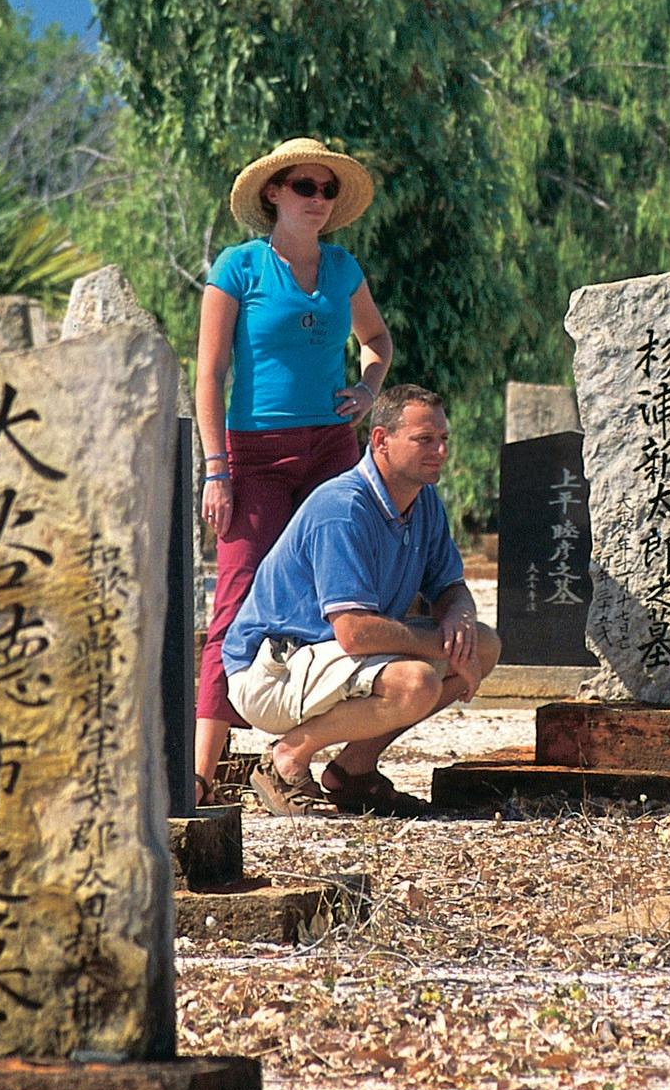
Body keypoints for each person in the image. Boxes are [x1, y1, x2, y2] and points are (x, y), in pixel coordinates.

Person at [194, 136, 391, 801]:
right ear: (273, 192)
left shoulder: (341, 267)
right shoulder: (239, 267)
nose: (317, 199)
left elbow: (376, 339)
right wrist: (214, 468)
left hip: (332, 448)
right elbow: (210, 372)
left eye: (327, 189)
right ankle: (199, 771)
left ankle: (299, 759)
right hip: (253, 451)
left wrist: (367, 391)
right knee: (236, 593)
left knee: (333, 592)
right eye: (304, 186)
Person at [220, 384, 501, 816]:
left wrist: (461, 619)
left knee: (484, 643)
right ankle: (288, 758)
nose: (440, 451)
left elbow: (450, 587)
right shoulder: (342, 508)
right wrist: (448, 647)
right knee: (417, 682)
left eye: (444, 439)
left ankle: (352, 771)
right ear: (381, 441)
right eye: (425, 439)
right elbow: (354, 632)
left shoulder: (423, 503)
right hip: (271, 671)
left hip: (325, 658)